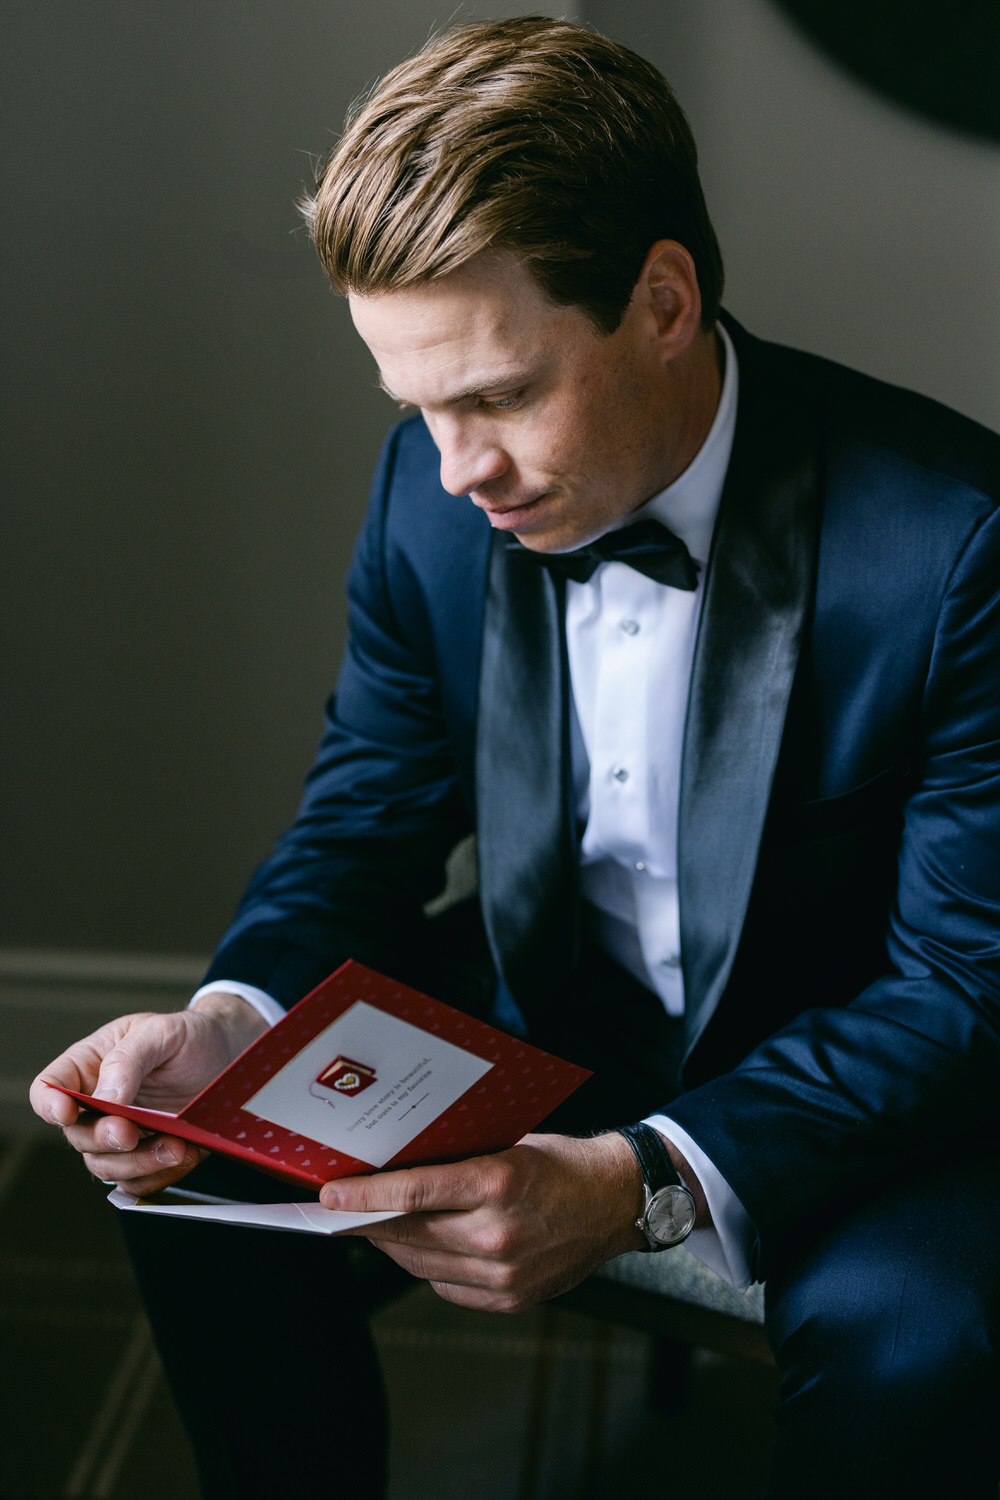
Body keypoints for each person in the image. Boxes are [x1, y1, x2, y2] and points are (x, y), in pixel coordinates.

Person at [31, 16, 1000, 1498]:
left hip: (865, 1065)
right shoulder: (433, 497)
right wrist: (232, 1025)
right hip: (550, 995)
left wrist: (639, 1180)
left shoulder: (956, 547)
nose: (455, 466)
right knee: (201, 1190)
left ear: (662, 300)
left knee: (922, 1335)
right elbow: (364, 816)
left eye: (494, 395)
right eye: (413, 406)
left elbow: (957, 988)